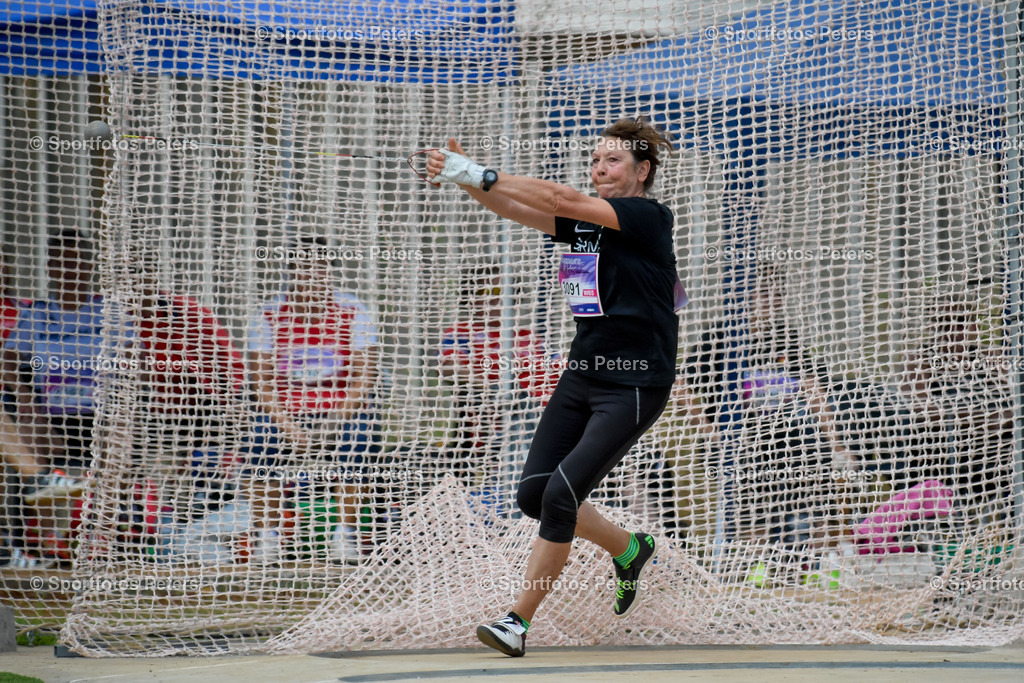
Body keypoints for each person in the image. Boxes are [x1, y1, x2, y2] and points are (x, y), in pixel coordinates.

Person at [427, 116, 679, 657]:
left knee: (563, 494)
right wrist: (464, 180)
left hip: (634, 383)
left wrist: (476, 168)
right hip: (582, 374)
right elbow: (516, 208)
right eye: (595, 160)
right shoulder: (590, 225)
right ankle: (630, 548)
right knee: (533, 495)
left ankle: (517, 621)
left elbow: (561, 198)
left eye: (612, 160)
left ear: (642, 172)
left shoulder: (645, 217)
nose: (599, 169)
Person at [246, 236, 380, 563]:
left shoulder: (353, 310)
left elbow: (365, 378)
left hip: (339, 412)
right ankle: (268, 538)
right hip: (285, 413)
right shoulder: (269, 313)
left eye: (320, 268)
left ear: (330, 273)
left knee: (360, 436)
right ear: (291, 272)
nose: (312, 275)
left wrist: (334, 422)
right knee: (259, 437)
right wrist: (289, 427)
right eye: (304, 268)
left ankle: (344, 535)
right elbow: (260, 384)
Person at [437, 264, 559, 477]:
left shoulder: (529, 337)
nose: (496, 299)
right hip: (488, 420)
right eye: (488, 292)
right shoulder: (461, 332)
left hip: (538, 423)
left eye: (503, 292)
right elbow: (449, 368)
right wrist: (497, 384)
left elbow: (558, 372)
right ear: (471, 296)